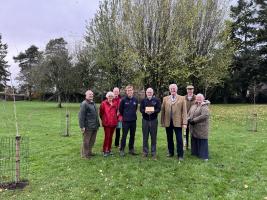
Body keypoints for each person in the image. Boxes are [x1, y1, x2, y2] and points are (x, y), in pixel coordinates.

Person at [161, 84, 187, 161]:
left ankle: (180, 155)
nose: (173, 90)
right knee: (169, 138)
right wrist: (162, 122)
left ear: (177, 89)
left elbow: (184, 112)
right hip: (168, 122)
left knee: (179, 139)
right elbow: (163, 111)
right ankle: (171, 152)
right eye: (171, 89)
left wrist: (185, 122)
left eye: (174, 88)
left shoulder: (182, 98)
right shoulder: (165, 99)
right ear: (169, 90)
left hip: (178, 122)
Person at [140, 88, 161, 159]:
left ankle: (153, 152)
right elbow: (141, 109)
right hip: (145, 120)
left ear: (153, 93)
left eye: (150, 92)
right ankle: (145, 152)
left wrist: (153, 111)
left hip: (153, 120)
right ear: (146, 93)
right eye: (148, 92)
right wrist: (145, 111)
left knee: (153, 137)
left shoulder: (157, 100)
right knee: (145, 137)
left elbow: (159, 109)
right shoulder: (143, 100)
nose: (149, 93)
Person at [188, 93, 210, 161]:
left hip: (201, 127)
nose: (198, 99)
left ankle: (204, 156)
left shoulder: (204, 106)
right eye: (197, 98)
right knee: (194, 138)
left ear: (203, 98)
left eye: (200, 98)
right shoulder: (194, 105)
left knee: (202, 140)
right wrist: (188, 119)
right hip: (193, 127)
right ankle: (195, 153)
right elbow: (189, 113)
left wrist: (194, 120)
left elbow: (204, 115)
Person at [78, 90, 100, 159]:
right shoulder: (84, 104)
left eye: (92, 94)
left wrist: (98, 124)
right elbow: (81, 116)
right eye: (89, 94)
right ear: (86, 95)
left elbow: (96, 115)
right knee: (86, 141)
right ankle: (85, 154)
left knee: (92, 140)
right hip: (88, 126)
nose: (91, 95)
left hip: (94, 126)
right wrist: (82, 126)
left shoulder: (93, 103)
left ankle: (90, 152)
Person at [119, 85, 138, 156]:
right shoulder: (123, 100)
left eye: (131, 90)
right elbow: (121, 110)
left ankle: (131, 149)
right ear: (126, 92)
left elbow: (135, 109)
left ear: (133, 91)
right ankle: (122, 150)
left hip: (133, 121)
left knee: (132, 135)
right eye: (128, 90)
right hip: (125, 121)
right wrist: (126, 116)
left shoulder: (135, 100)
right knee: (124, 135)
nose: (129, 92)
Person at [99, 92, 118, 157]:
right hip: (107, 123)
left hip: (113, 123)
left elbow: (115, 112)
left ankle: (109, 149)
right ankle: (105, 150)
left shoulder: (115, 103)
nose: (110, 98)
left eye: (111, 96)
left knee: (111, 137)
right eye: (109, 96)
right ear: (107, 97)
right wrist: (104, 120)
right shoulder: (103, 103)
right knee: (107, 137)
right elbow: (101, 113)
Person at [184, 85, 196, 149]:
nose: (190, 91)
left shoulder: (196, 98)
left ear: (193, 90)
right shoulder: (183, 98)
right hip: (185, 118)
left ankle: (193, 146)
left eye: (191, 89)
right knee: (185, 133)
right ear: (187, 90)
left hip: (193, 118)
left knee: (193, 132)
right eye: (188, 89)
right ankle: (186, 145)